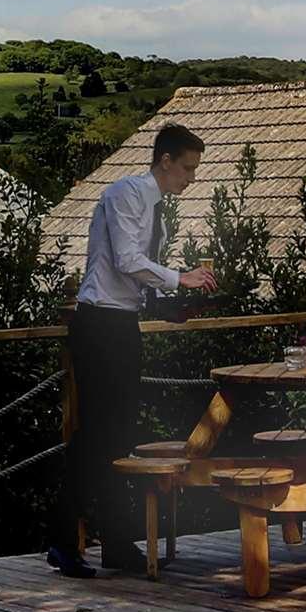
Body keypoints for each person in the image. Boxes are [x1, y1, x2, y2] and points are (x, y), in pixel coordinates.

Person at [61, 122, 218, 575]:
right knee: (95, 438)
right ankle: (64, 540)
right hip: (99, 324)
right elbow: (128, 260)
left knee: (120, 438)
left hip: (122, 323)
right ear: (164, 161)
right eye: (186, 168)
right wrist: (179, 278)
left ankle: (115, 542)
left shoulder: (157, 209)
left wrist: (173, 309)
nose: (190, 178)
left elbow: (134, 280)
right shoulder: (126, 194)